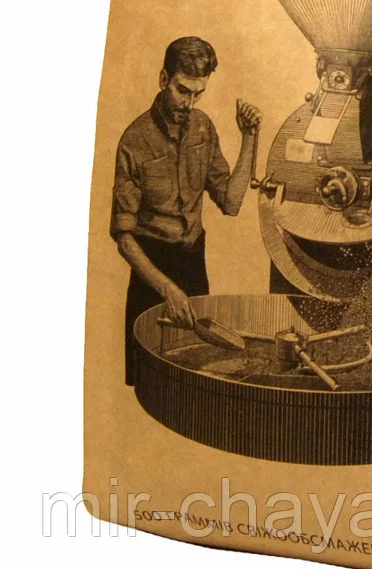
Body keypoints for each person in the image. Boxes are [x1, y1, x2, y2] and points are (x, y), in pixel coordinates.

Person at [110, 36, 261, 383]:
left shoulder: (204, 128)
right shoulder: (134, 140)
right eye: (182, 90)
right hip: (151, 277)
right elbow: (124, 238)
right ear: (164, 79)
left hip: (193, 269)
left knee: (197, 379)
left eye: (198, 93)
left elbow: (231, 202)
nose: (189, 103)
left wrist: (250, 137)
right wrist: (168, 291)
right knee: (151, 384)